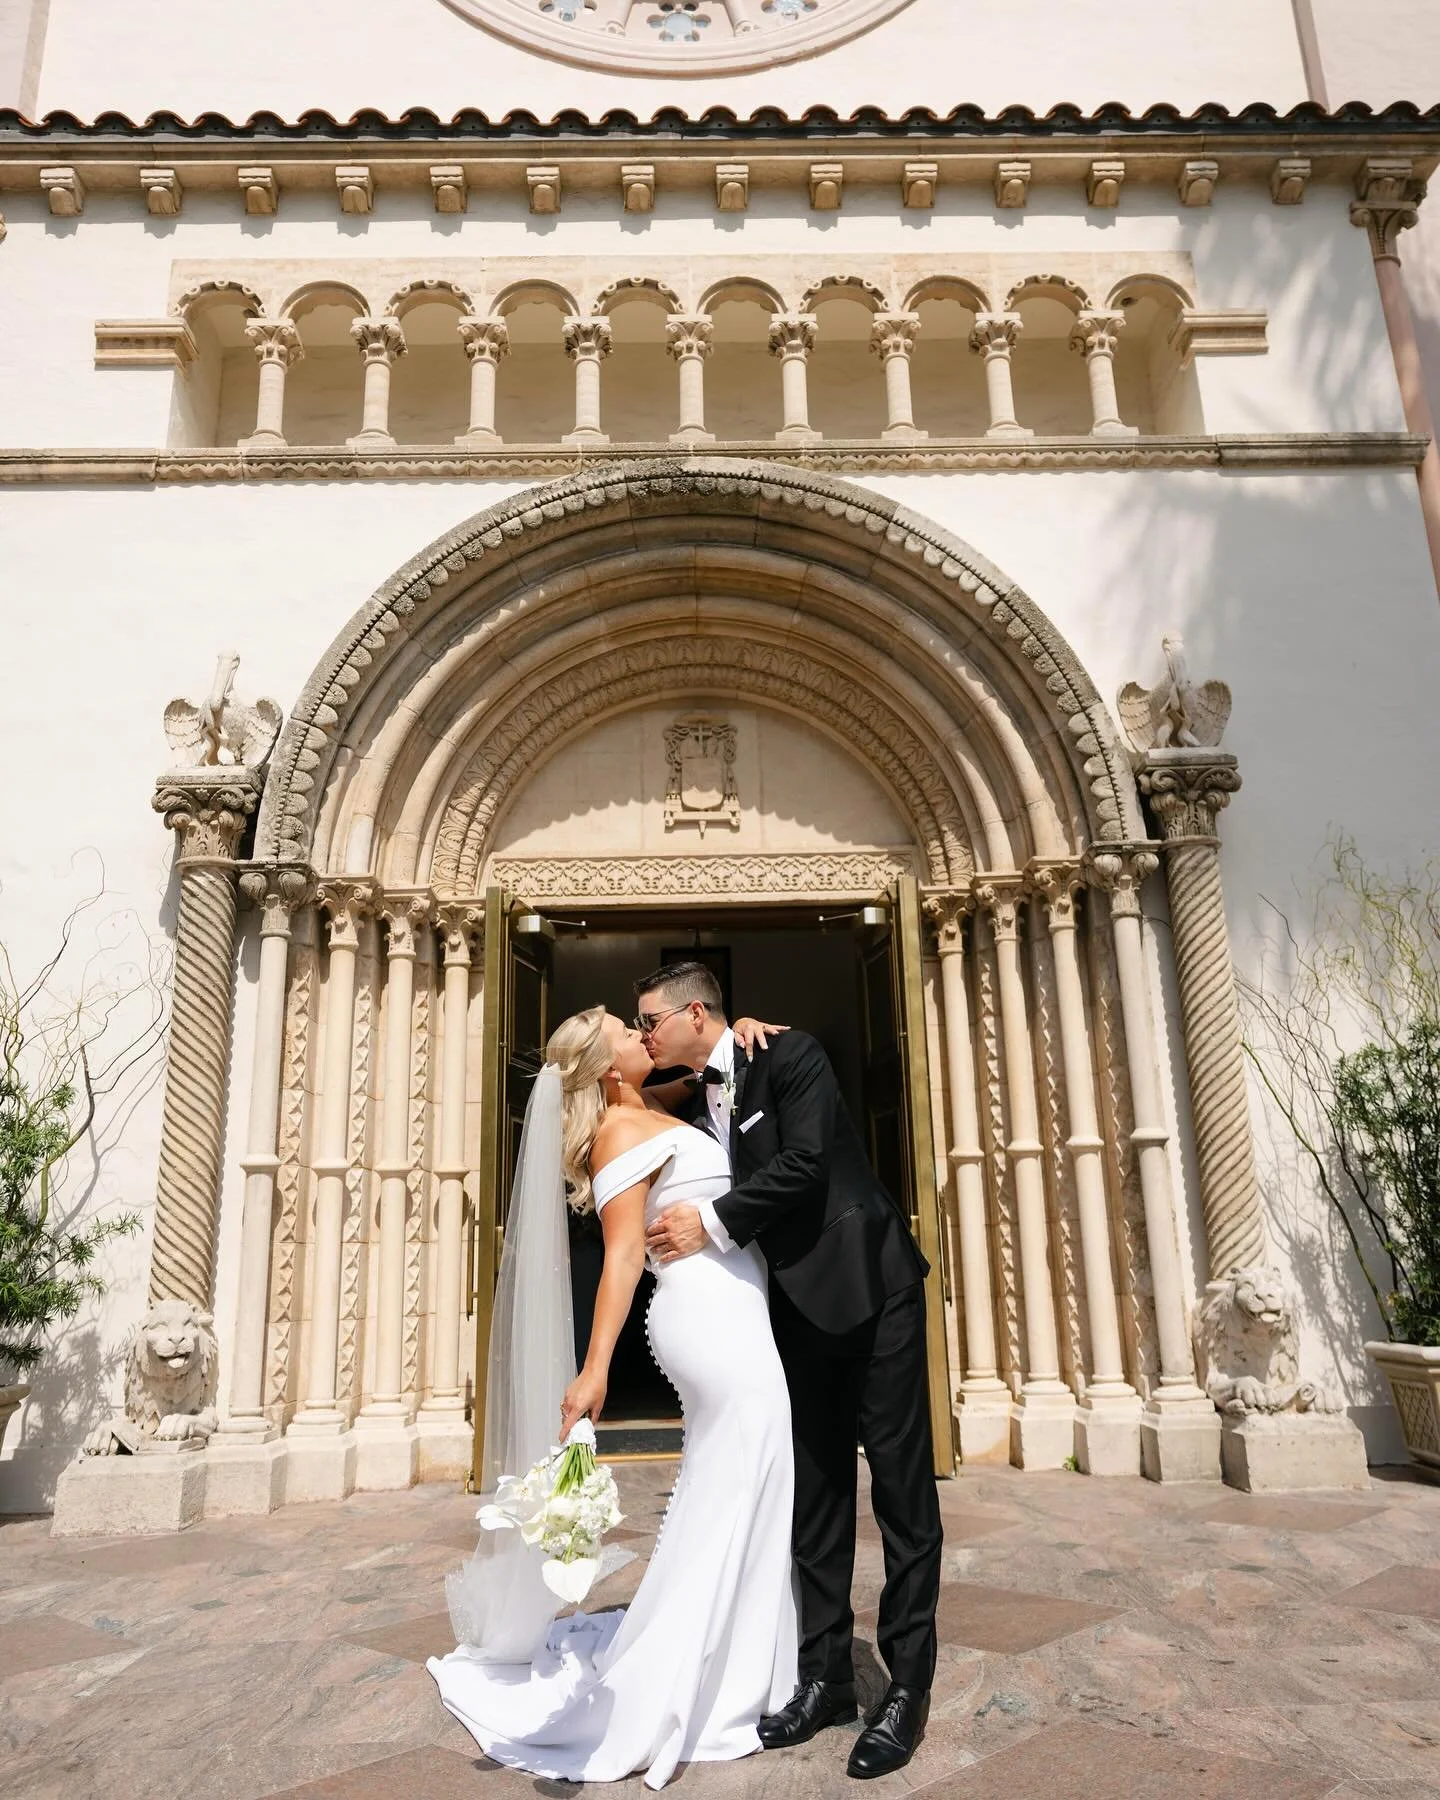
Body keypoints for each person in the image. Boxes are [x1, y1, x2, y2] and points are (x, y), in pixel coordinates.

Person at [428, 1006, 798, 1790]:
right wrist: (595, 1368)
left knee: (744, 1482)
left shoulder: (658, 1111)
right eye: (626, 1031)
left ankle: (745, 1663)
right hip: (707, 1321)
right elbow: (625, 1257)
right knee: (743, 1479)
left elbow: (724, 1098)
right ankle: (707, 1679)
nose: (641, 1033)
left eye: (642, 1022)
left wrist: (739, 1036)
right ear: (609, 1068)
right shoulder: (619, 1137)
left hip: (735, 1315)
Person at [638, 961, 943, 1781]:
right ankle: (827, 1679)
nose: (644, 1036)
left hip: (871, 1290)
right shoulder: (701, 1090)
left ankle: (907, 1690)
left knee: (902, 1494)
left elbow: (806, 1162)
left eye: (651, 1022)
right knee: (818, 1497)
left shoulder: (793, 1055)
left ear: (694, 1011)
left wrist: (707, 1222)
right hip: (794, 1315)